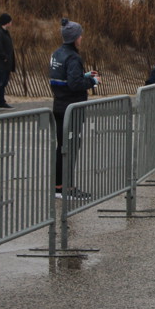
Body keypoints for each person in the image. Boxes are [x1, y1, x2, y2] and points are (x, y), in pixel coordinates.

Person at [50, 18, 100, 200]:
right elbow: (74, 84)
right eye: (80, 36)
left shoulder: (57, 54)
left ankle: (59, 186)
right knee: (70, 148)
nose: (81, 38)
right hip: (71, 108)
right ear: (74, 38)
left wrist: (83, 75)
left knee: (62, 147)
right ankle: (67, 188)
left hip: (59, 105)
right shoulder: (73, 57)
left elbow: (62, 78)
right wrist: (92, 81)